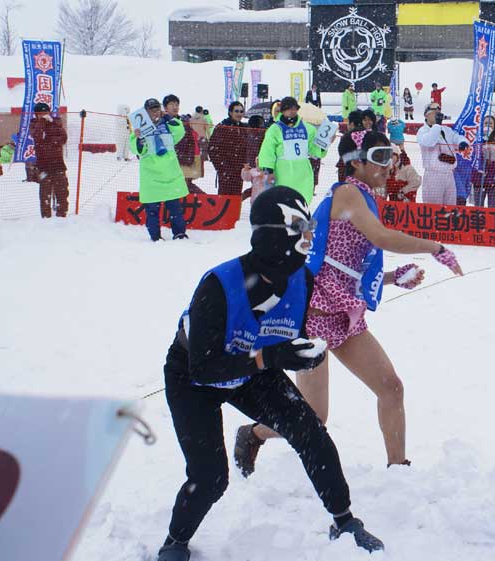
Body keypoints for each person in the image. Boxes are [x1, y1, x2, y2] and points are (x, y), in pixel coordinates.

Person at [156, 187, 384, 561]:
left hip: (251, 371)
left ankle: (344, 521)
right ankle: (175, 542)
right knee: (211, 477)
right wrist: (270, 358)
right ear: (272, 232)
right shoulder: (218, 285)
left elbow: (286, 337)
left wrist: (300, 354)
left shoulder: (300, 279)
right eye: (300, 226)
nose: (309, 236)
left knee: (311, 432)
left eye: (310, 225)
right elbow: (206, 367)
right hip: (194, 377)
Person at [234, 131, 463, 472]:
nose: (391, 165)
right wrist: (436, 247)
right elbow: (381, 238)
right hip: (312, 316)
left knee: (391, 388)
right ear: (356, 162)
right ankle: (253, 433)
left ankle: (398, 468)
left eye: (393, 155)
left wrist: (390, 277)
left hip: (343, 313)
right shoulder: (348, 193)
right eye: (381, 156)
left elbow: (339, 264)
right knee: (313, 416)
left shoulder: (361, 197)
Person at [129, 98, 189, 242]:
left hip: (170, 173)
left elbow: (180, 132)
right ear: (145, 112)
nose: (155, 112)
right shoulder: (139, 128)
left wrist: (168, 117)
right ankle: (155, 236)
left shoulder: (168, 124)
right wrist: (138, 139)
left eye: (157, 108)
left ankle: (179, 233)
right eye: (151, 109)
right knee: (152, 211)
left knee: (175, 209)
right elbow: (136, 149)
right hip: (151, 175)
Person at [258, 96, 330, 203]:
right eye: (288, 108)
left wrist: (325, 144)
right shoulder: (275, 129)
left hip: (303, 172)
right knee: (283, 202)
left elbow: (315, 150)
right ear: (283, 111)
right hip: (283, 172)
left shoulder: (308, 128)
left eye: (294, 108)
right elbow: (267, 151)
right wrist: (269, 170)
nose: (291, 111)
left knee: (302, 201)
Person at [417, 103, 468, 205]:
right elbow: (429, 141)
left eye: (439, 111)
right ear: (426, 115)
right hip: (434, 175)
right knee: (433, 207)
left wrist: (462, 142)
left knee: (450, 206)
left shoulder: (446, 130)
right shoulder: (423, 131)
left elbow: (456, 137)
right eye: (434, 112)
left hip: (449, 173)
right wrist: (437, 125)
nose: (437, 113)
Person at [29, 102, 69, 218]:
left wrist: (51, 140)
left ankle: (62, 215)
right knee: (45, 193)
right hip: (43, 166)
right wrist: (42, 123)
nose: (43, 115)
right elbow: (38, 137)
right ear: (36, 115)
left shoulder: (56, 122)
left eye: (45, 113)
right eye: (40, 114)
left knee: (62, 191)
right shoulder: (34, 124)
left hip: (58, 164)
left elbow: (63, 138)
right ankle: (46, 217)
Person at [207, 101, 252, 196]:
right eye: (236, 111)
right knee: (225, 198)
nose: (239, 114)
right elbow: (212, 149)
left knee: (236, 198)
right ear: (230, 112)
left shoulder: (244, 128)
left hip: (239, 170)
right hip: (226, 170)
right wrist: (222, 167)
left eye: (241, 111)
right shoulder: (222, 126)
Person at [163, 94, 203, 194]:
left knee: (185, 186)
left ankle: (205, 205)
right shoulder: (160, 123)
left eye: (177, 104)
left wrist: (188, 158)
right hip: (166, 164)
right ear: (165, 107)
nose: (175, 107)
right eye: (172, 104)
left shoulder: (184, 122)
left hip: (183, 161)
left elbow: (191, 142)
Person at [471, 115, 495, 208]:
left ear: (494, 125)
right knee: (478, 208)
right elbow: (472, 158)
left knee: (492, 207)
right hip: (478, 179)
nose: (488, 125)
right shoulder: (476, 139)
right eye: (485, 123)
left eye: (490, 123)